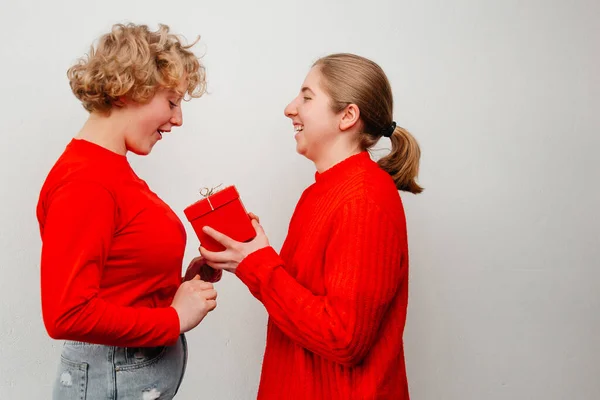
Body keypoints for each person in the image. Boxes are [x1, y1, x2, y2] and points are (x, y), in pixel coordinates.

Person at [200, 53, 423, 399]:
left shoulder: (364, 199)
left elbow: (344, 339)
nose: (291, 108)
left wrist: (258, 265)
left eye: (306, 97)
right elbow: (304, 307)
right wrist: (248, 257)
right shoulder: (320, 192)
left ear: (347, 116)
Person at [36, 23, 217, 399]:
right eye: (171, 102)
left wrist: (184, 283)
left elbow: (120, 279)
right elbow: (65, 313)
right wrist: (175, 318)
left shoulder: (109, 169)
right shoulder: (86, 182)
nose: (179, 119)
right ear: (127, 90)